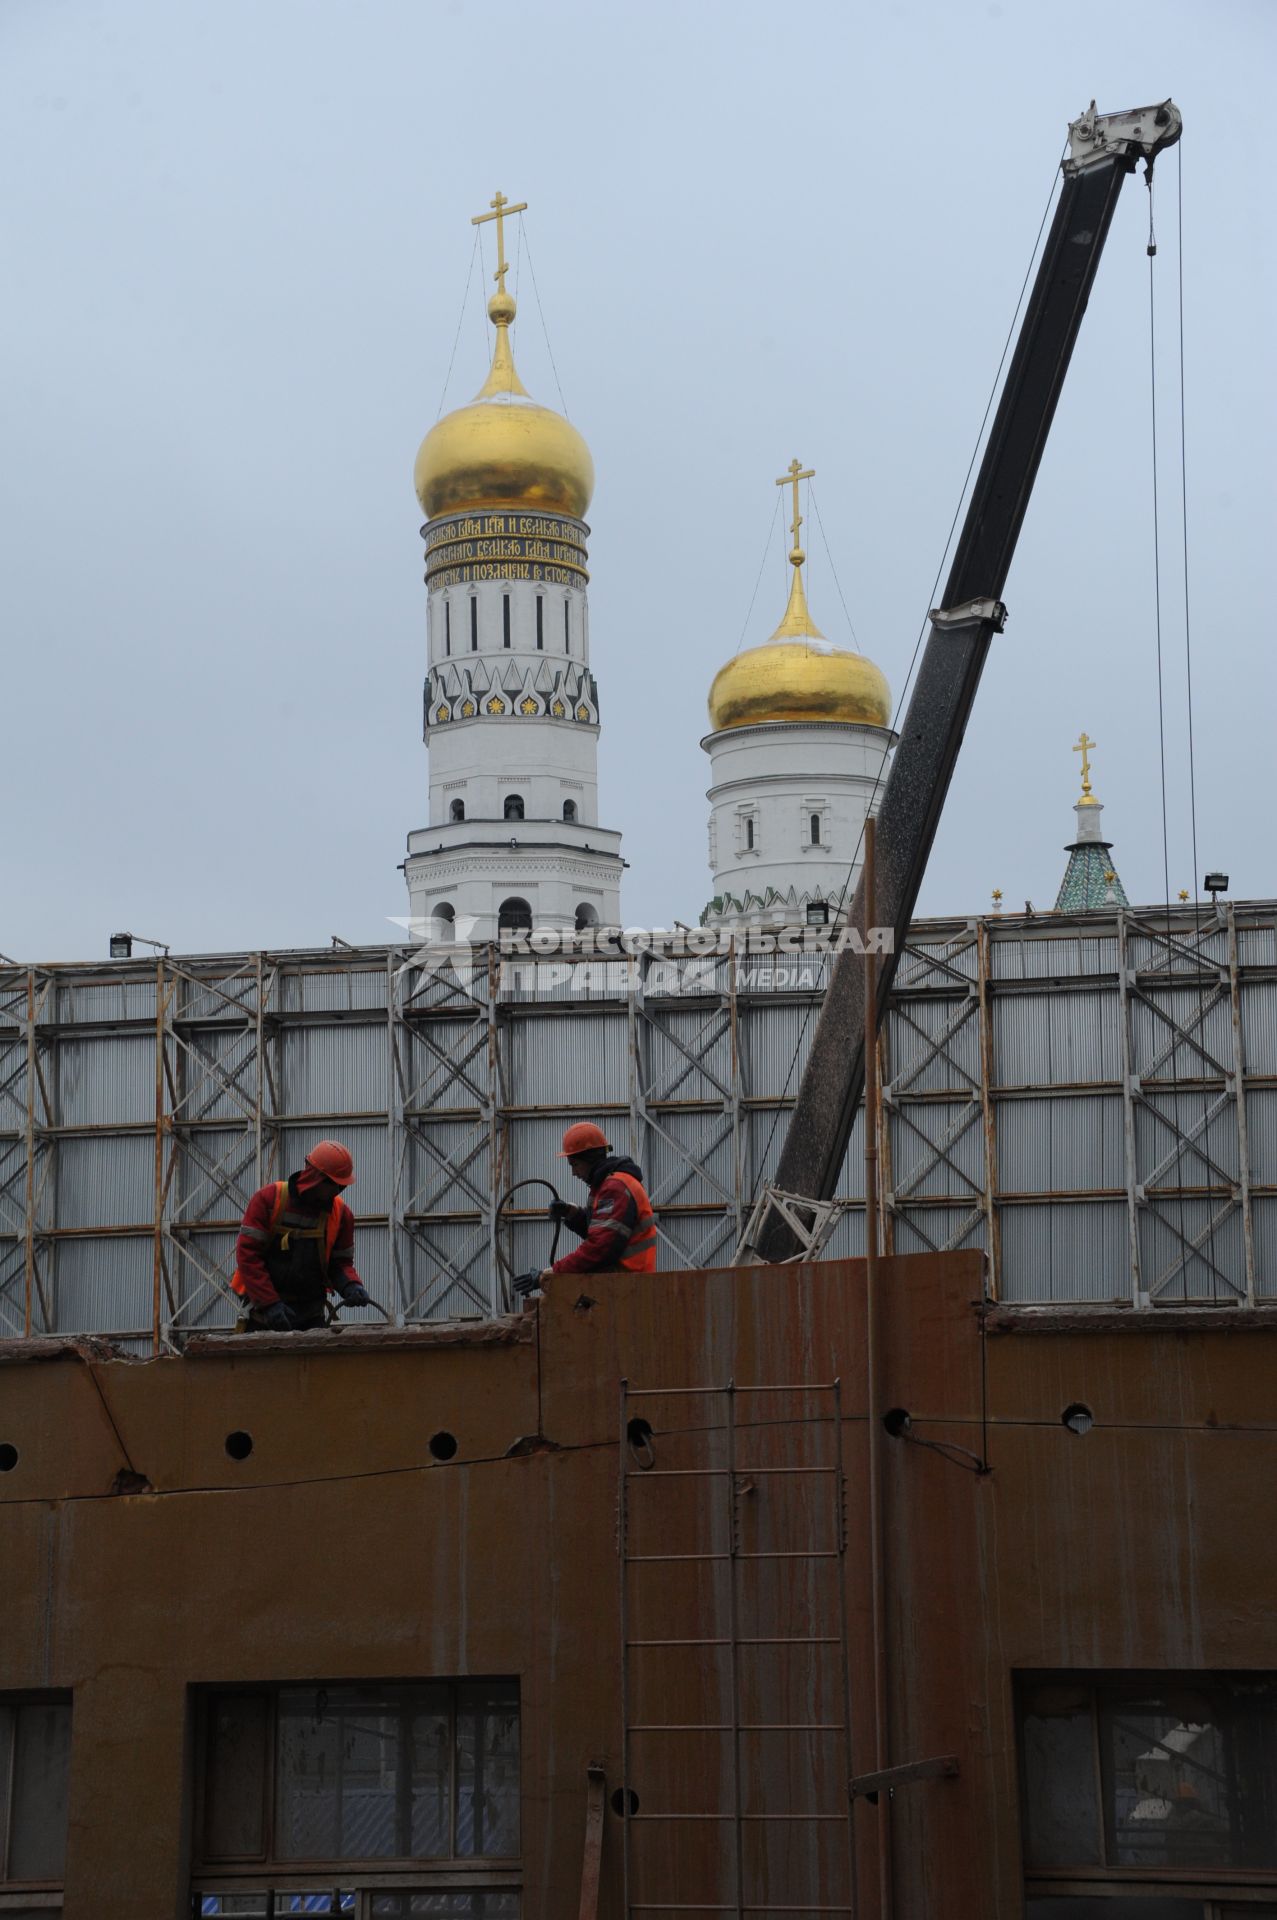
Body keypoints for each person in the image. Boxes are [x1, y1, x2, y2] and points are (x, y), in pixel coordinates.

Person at [232, 1141, 373, 1331]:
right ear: (316, 1178)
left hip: (311, 1316)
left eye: (342, 1185)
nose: (338, 1191)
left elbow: (340, 1264)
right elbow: (248, 1256)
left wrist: (351, 1285)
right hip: (264, 1315)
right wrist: (269, 1303)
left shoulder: (341, 1215)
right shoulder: (269, 1200)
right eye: (334, 1184)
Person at [512, 1122, 656, 1297]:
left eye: (575, 1164)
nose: (573, 1173)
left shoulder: (614, 1187)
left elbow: (600, 1249)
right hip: (625, 1283)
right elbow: (602, 1232)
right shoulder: (608, 1184)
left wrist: (549, 1274)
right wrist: (571, 1213)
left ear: (590, 1159)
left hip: (627, 1287)